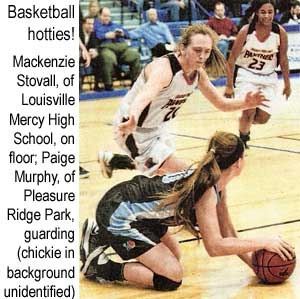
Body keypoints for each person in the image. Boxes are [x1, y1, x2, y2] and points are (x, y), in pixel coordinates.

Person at [81, 131, 295, 290]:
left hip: (140, 213)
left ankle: (98, 236)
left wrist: (256, 268)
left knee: (174, 255)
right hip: (120, 213)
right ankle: (100, 267)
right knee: (170, 278)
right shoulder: (207, 189)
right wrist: (264, 242)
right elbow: (215, 246)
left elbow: (228, 235)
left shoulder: (214, 180)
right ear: (239, 163)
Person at [98, 23, 268, 178]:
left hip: (160, 127)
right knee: (191, 176)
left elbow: (221, 103)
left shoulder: (197, 73)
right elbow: (145, 95)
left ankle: (112, 160)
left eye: (207, 51)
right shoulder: (165, 69)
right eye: (197, 50)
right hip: (134, 130)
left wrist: (247, 103)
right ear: (182, 48)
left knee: (164, 174)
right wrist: (132, 118)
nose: (202, 56)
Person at [224, 0, 291, 148]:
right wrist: (229, 85)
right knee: (250, 109)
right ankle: (243, 139)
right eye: (263, 12)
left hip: (269, 77)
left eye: (270, 12)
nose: (267, 16)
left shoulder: (280, 32)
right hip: (246, 75)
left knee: (262, 118)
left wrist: (287, 84)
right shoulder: (246, 31)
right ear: (256, 12)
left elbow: (284, 59)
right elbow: (232, 59)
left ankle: (245, 119)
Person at [94, 7, 141, 91]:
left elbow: (128, 34)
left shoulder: (115, 25)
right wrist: (106, 35)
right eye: (105, 16)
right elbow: (95, 36)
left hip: (121, 49)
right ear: (99, 16)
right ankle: (108, 84)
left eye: (108, 16)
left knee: (135, 56)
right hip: (107, 48)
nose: (107, 18)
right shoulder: (96, 25)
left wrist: (123, 34)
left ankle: (135, 82)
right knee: (108, 58)